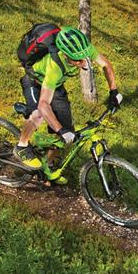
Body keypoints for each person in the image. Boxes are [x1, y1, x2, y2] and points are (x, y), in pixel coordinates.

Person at [14, 26, 123, 181]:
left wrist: (114, 91)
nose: (84, 62)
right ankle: (22, 146)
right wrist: (59, 130)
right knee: (37, 114)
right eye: (78, 60)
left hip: (56, 87)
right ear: (66, 55)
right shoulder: (55, 67)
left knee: (66, 132)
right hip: (35, 82)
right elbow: (44, 104)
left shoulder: (82, 49)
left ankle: (48, 168)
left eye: (85, 57)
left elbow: (106, 64)